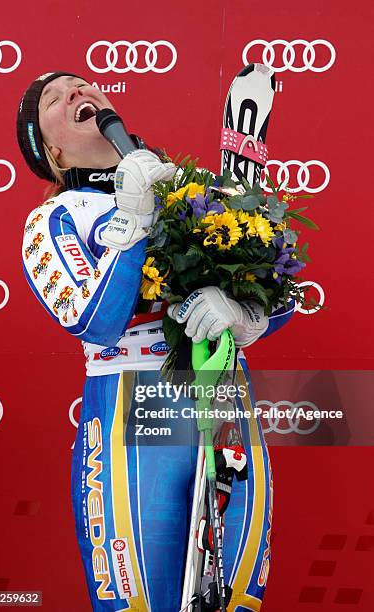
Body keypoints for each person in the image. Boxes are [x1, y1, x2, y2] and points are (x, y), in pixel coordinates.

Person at [17, 71, 295, 611]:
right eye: (55, 98)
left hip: (227, 400)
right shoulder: (53, 217)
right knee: (147, 601)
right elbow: (92, 320)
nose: (78, 93)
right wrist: (133, 218)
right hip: (136, 406)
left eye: (84, 85)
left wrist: (244, 312)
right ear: (51, 150)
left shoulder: (195, 195)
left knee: (234, 601)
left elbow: (284, 291)